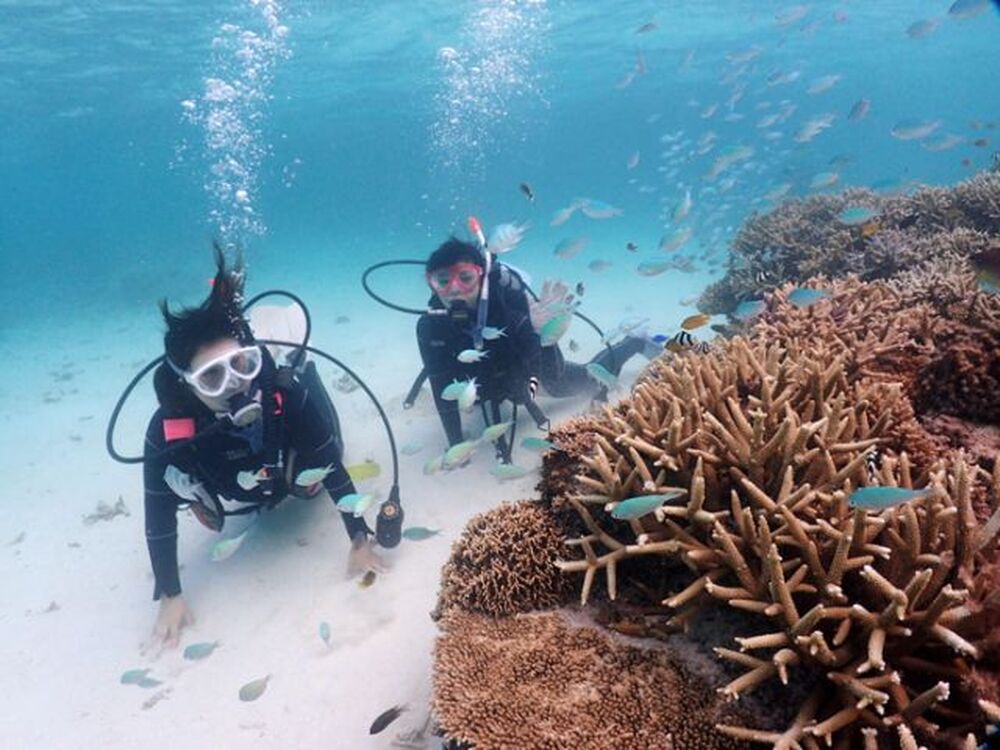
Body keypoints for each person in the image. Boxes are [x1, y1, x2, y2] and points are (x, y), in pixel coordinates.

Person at [143, 250, 383, 648]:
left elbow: (331, 464)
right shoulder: (167, 432)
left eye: (242, 364)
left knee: (321, 459)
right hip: (238, 481)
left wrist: (359, 540)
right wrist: (170, 594)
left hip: (290, 455)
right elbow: (158, 509)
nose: (236, 383)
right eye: (213, 377)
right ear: (187, 386)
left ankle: (297, 358)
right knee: (190, 484)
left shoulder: (282, 393)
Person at [415, 237, 656, 452]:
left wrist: (546, 338)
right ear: (431, 284)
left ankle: (635, 341)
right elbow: (439, 385)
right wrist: (456, 446)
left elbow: (551, 375)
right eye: (442, 280)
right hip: (485, 385)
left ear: (481, 277)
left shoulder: (510, 311)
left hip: (523, 375)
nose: (454, 289)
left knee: (589, 380)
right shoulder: (429, 327)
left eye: (465, 277)